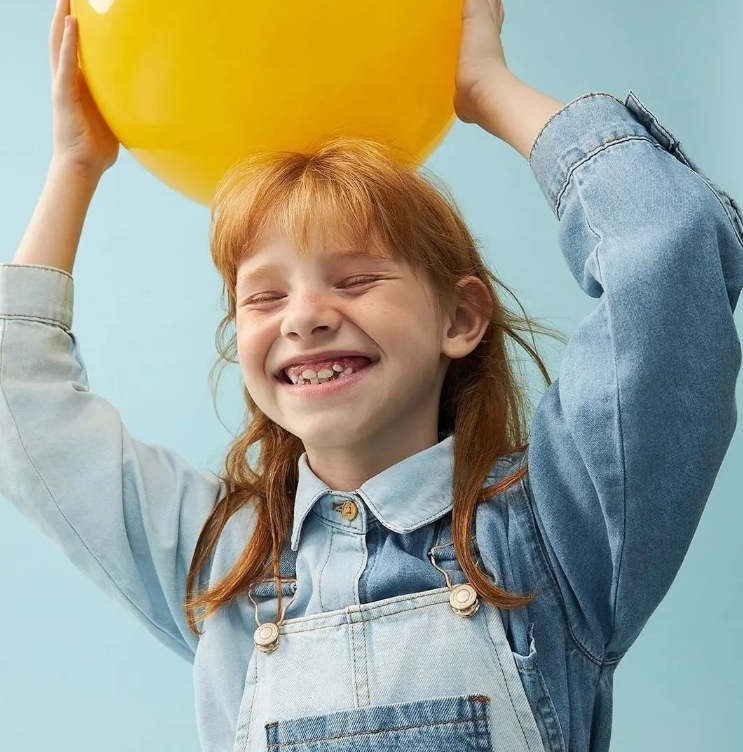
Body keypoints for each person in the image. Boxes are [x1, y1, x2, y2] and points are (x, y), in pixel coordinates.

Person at [1, 1, 740, 751]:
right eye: (264, 295)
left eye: (354, 280)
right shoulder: (217, 563)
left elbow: (668, 243)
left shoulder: (558, 533)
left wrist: (485, 87)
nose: (304, 317)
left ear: (458, 319)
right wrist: (76, 165)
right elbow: (18, 399)